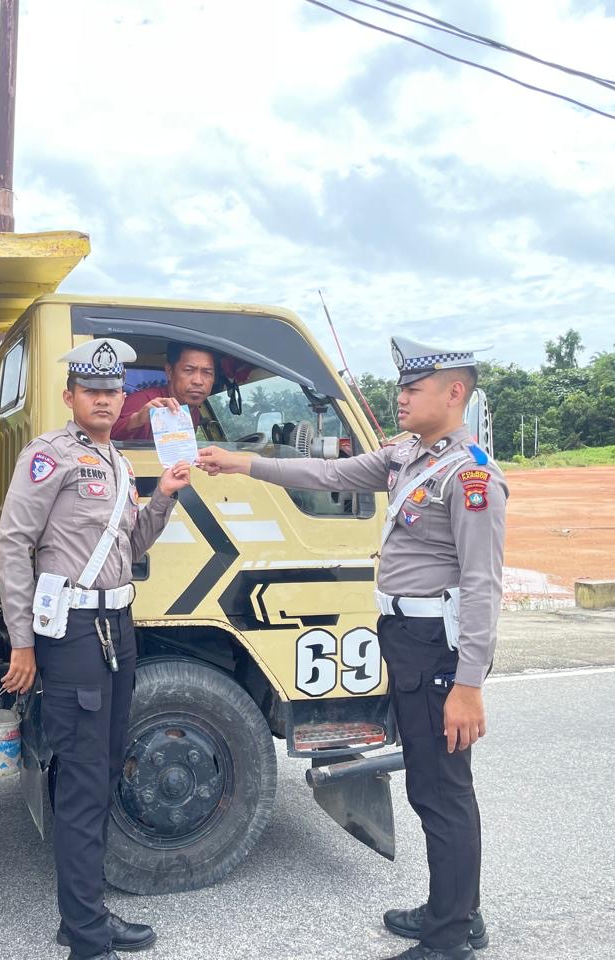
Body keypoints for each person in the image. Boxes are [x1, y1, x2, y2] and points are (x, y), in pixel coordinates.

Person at [195, 336, 507, 960]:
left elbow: (482, 585)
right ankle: (452, 910)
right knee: (428, 781)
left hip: (436, 649)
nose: (400, 399)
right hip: (405, 640)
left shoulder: (471, 477)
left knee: (443, 791)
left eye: (412, 390)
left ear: (454, 393)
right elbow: (329, 474)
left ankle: (454, 935)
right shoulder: (408, 459)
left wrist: (469, 685)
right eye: (399, 389)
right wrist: (242, 463)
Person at [0, 338, 191, 960]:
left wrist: (165, 495)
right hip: (72, 634)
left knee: (104, 770)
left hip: (118, 628)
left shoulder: (119, 464)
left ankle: (87, 913)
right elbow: (12, 545)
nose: (104, 399)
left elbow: (129, 546)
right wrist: (22, 642)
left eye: (113, 390)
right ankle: (85, 933)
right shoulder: (48, 457)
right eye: (92, 389)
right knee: (81, 779)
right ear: (70, 396)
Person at [110, 341, 217, 442]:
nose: (198, 381)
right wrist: (137, 420)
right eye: (188, 370)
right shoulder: (143, 402)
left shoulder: (193, 410)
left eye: (207, 372)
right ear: (170, 372)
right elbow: (104, 438)